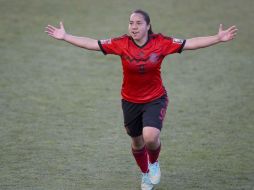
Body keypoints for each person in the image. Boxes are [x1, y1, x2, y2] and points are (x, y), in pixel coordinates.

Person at [45, 9, 237, 190]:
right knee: (137, 142)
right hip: (130, 101)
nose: (133, 27)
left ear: (148, 26)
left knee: (150, 136)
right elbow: (92, 44)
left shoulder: (161, 42)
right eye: (131, 23)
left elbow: (190, 43)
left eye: (138, 23)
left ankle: (153, 163)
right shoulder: (121, 43)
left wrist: (218, 38)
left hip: (155, 99)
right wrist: (66, 36)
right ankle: (145, 173)